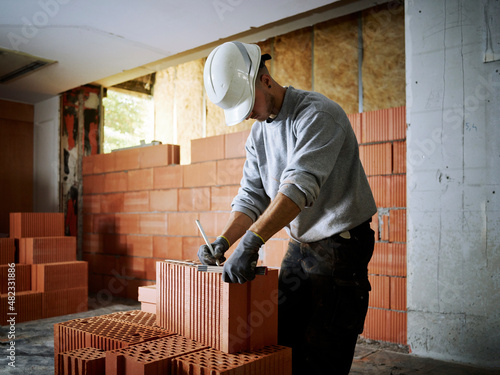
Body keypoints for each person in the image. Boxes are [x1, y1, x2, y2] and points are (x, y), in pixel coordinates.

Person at [198, 41, 377, 375]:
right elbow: (252, 197)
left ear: (265, 81)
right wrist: (224, 241)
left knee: (324, 345)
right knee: (283, 336)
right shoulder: (259, 134)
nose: (248, 114)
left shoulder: (317, 116)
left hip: (341, 245)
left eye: (249, 104)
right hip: (301, 246)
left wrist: (252, 243)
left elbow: (297, 188)